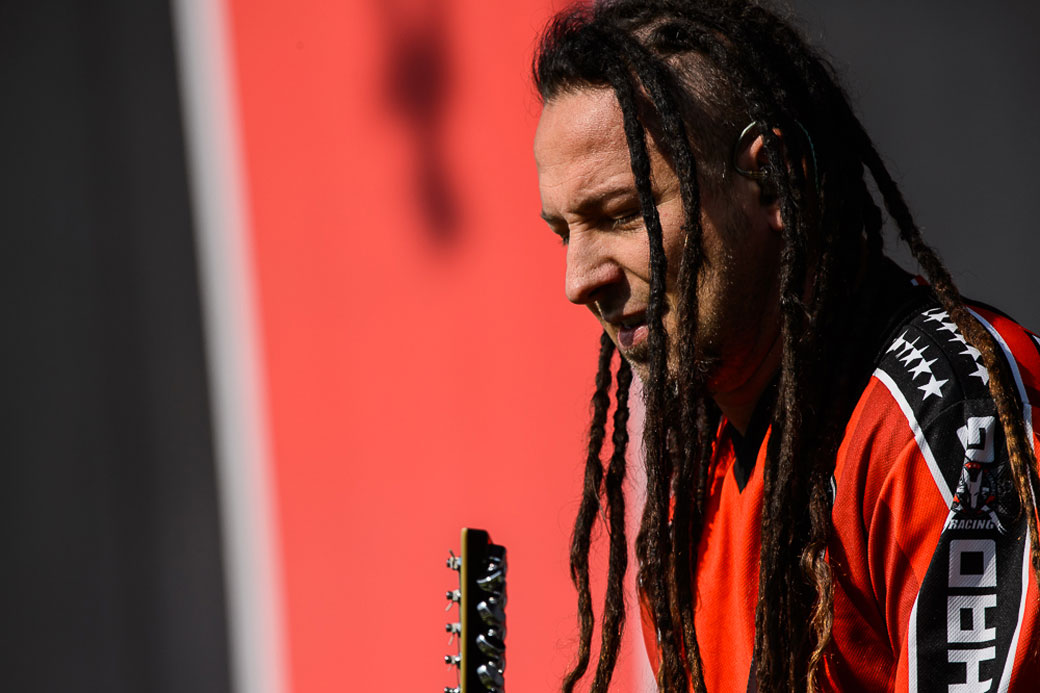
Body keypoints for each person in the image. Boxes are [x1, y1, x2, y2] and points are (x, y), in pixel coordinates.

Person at [531, 1, 1040, 692]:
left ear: (772, 177)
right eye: (564, 231)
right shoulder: (695, 485)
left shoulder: (953, 415)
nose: (578, 280)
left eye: (622, 214)